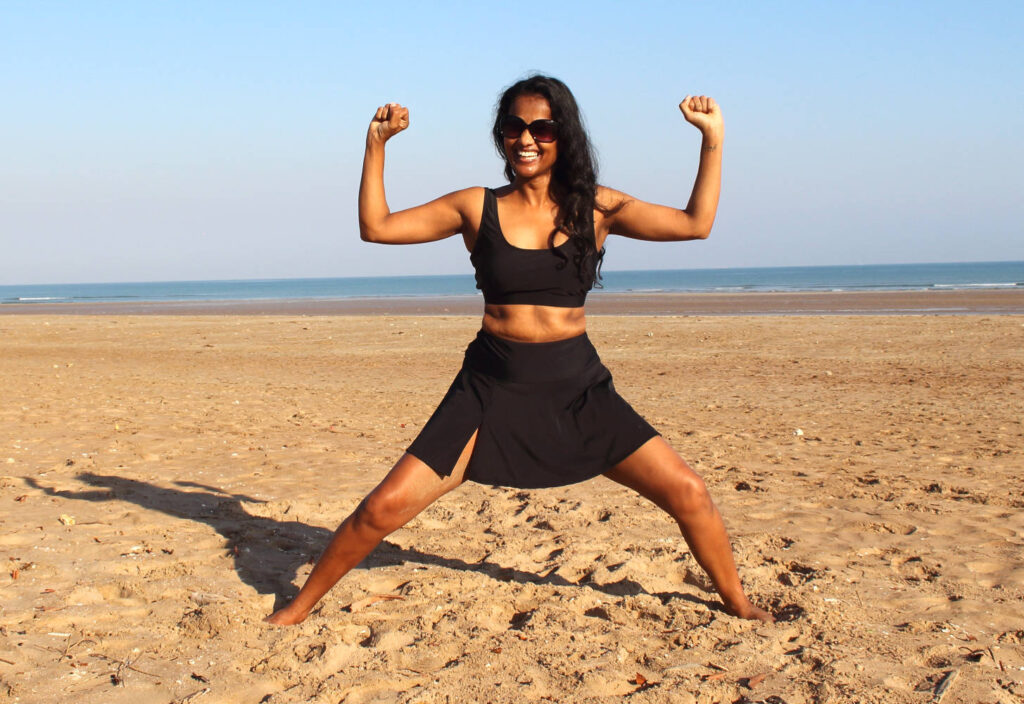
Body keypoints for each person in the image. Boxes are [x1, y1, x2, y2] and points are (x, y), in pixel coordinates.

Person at [267, 75, 773, 625]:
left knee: (688, 491)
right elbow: (376, 227)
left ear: (563, 135)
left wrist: (712, 138)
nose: (526, 138)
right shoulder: (473, 206)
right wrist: (376, 144)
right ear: (501, 136)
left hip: (577, 389)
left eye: (542, 127)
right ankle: (297, 607)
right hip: (489, 389)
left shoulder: (597, 208)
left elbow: (695, 224)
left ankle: (740, 603)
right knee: (382, 508)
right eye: (514, 126)